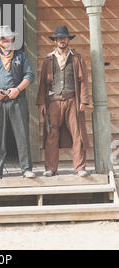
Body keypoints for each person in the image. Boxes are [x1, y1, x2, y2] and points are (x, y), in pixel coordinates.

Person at [0, 25, 35, 179]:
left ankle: (26, 168)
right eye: (1, 38)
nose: (4, 40)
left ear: (12, 38)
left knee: (22, 135)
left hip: (17, 100)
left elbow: (30, 75)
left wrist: (18, 89)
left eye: (6, 37)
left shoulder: (21, 56)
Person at [36, 26, 90, 177]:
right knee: (52, 134)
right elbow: (42, 84)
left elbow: (83, 80)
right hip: (53, 101)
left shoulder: (76, 58)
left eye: (64, 38)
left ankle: (80, 168)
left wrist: (84, 101)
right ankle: (50, 168)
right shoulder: (48, 60)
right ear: (55, 41)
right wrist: (41, 102)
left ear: (68, 40)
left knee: (77, 134)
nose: (62, 40)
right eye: (59, 38)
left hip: (73, 100)